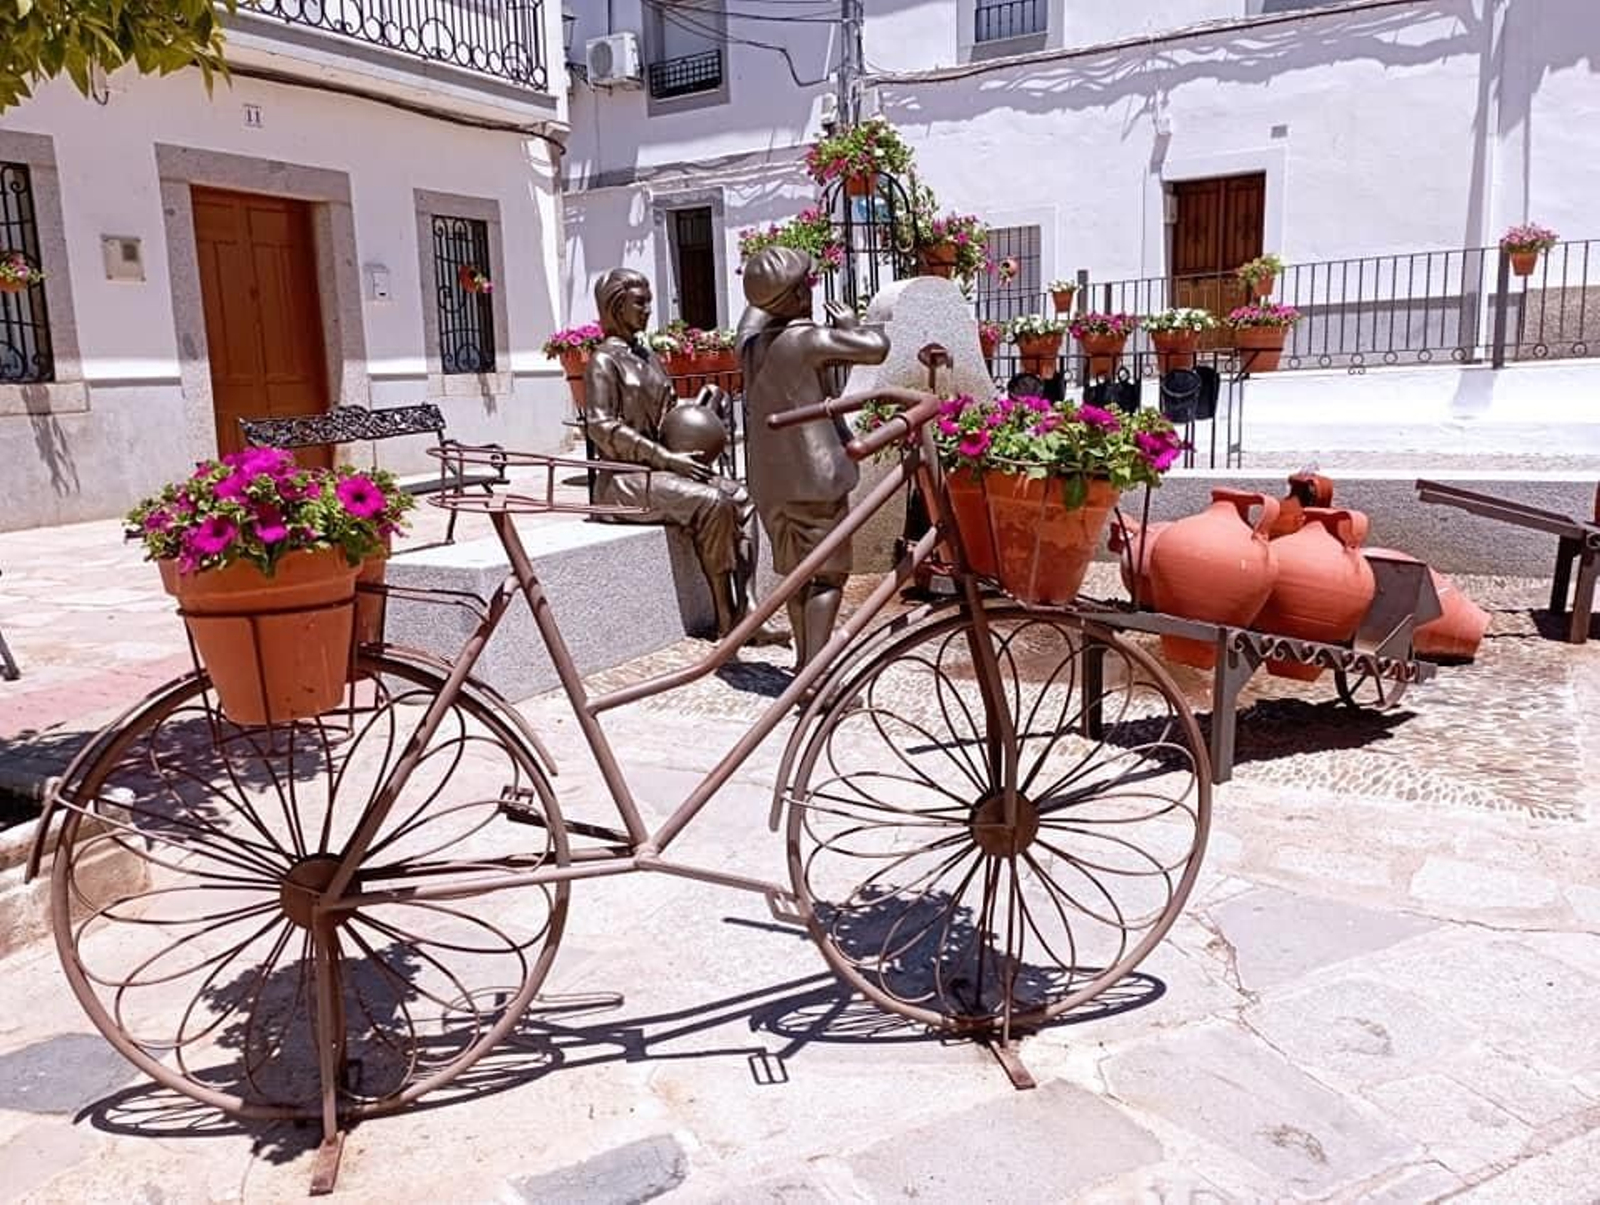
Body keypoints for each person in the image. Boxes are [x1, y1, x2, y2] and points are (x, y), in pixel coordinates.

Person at [583, 269, 773, 642]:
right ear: (616, 305)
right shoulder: (603, 362)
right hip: (623, 479)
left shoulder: (647, 356)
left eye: (649, 301)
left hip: (659, 468)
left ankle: (748, 607)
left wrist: (701, 408)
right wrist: (666, 460)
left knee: (742, 498)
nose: (648, 310)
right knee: (712, 502)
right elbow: (602, 427)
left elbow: (668, 411)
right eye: (640, 302)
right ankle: (724, 615)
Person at [737, 246, 890, 671]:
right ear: (798, 295)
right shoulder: (807, 338)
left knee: (799, 576)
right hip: (816, 479)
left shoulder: (752, 349)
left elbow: (754, 319)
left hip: (772, 485)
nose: (813, 287)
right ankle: (818, 676)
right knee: (828, 575)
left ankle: (806, 670)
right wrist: (852, 324)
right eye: (807, 282)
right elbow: (876, 347)